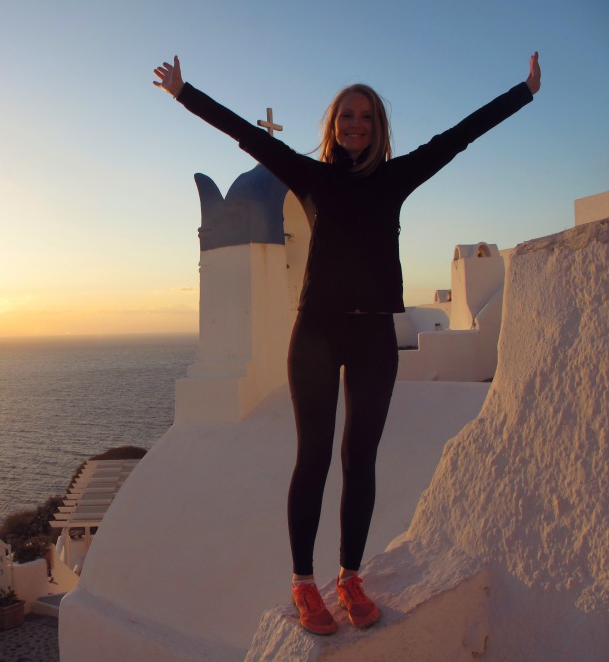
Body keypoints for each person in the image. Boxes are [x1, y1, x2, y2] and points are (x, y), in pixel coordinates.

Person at [153, 52, 541, 635]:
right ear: (333, 125)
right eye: (345, 117)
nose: (354, 125)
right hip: (316, 331)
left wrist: (524, 91)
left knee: (361, 460)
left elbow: (459, 136)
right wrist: (186, 94)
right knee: (313, 456)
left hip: (372, 336)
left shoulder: (396, 177)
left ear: (377, 126)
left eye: (364, 117)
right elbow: (244, 134)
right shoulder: (312, 177)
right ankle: (304, 584)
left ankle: (350, 577)